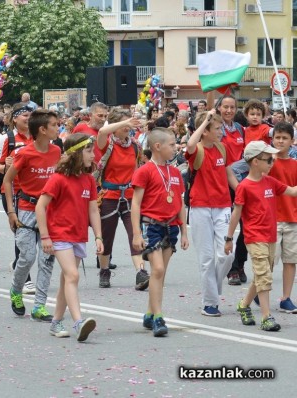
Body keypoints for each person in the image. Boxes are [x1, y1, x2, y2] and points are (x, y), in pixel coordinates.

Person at [35, 133, 103, 341]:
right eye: (89, 151)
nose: (93, 155)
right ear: (75, 153)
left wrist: (99, 237)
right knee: (73, 275)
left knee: (67, 279)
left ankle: (56, 322)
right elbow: (40, 206)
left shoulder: (88, 180)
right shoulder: (58, 179)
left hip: (78, 235)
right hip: (59, 234)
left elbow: (93, 210)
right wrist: (46, 237)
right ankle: (78, 321)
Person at [225, 141, 297, 331]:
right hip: (255, 237)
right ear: (255, 161)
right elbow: (236, 214)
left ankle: (244, 304)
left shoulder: (270, 182)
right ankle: (266, 316)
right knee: (264, 275)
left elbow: (292, 191)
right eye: (268, 160)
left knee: (261, 275)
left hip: (271, 236)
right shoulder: (244, 186)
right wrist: (229, 238)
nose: (272, 163)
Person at [131, 128, 189, 337]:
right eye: (172, 145)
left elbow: (180, 202)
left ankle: (149, 313)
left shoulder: (174, 172)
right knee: (157, 270)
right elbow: (136, 202)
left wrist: (183, 231)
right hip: (152, 225)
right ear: (157, 146)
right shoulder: (145, 170)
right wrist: (137, 233)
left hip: (171, 226)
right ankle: (158, 317)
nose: (176, 148)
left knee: (160, 273)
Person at [4, 109, 61, 321]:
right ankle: (16, 290)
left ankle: (39, 306)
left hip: (51, 212)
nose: (58, 128)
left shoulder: (57, 152)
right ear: (42, 130)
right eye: (54, 125)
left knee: (47, 260)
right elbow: (8, 181)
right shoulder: (24, 153)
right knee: (27, 257)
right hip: (27, 210)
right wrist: (11, 211)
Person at [185, 110, 235, 316]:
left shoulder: (222, 148)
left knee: (226, 254)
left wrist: (243, 192)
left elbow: (229, 173)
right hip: (200, 207)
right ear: (205, 131)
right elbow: (188, 145)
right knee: (206, 259)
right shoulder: (196, 150)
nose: (221, 131)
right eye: (217, 128)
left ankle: (212, 288)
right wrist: (205, 119)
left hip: (223, 205)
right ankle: (210, 302)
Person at [95, 108, 145, 289]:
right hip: (109, 196)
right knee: (107, 237)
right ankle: (104, 270)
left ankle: (141, 272)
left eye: (130, 124)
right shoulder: (106, 144)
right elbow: (101, 131)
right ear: (115, 125)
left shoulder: (134, 145)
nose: (128, 128)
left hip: (130, 196)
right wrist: (124, 122)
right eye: (124, 124)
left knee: (135, 234)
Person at [0, 103, 36, 294]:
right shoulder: (8, 139)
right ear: (15, 119)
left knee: (30, 235)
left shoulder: (39, 137)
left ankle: (19, 262)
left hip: (34, 192)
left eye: (30, 115)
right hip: (13, 192)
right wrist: (7, 165)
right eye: (24, 115)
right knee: (22, 233)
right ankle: (25, 279)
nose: (28, 118)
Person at [217, 95, 248, 285]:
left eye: (232, 107)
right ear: (219, 108)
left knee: (246, 225)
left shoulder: (239, 129)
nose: (228, 111)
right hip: (221, 185)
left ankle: (240, 264)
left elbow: (245, 157)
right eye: (225, 107)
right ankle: (230, 269)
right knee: (228, 226)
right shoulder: (215, 129)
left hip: (240, 183)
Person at [267, 122, 297, 313]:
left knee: (290, 260)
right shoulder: (268, 162)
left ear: (292, 141)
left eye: (285, 138)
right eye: (277, 137)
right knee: (268, 260)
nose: (280, 141)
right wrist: (269, 159)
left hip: (293, 218)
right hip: (272, 219)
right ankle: (260, 291)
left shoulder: (295, 165)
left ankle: (286, 297)